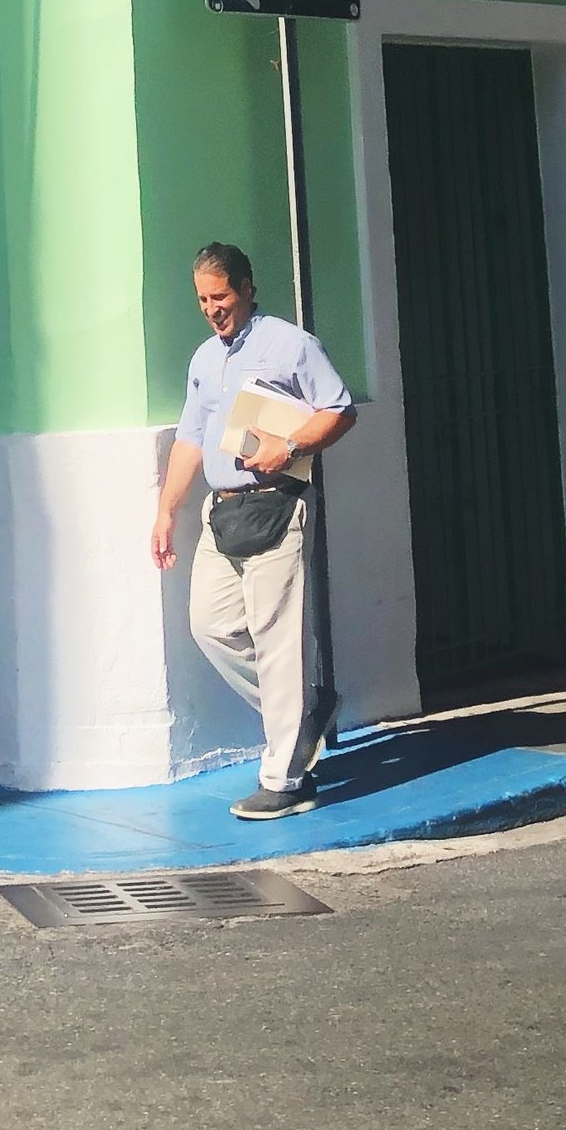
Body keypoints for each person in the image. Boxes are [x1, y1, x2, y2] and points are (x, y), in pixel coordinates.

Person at [151, 241, 357, 819]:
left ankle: (287, 780)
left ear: (246, 288)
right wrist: (167, 510)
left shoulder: (290, 344)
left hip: (277, 503)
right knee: (210, 626)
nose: (213, 309)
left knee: (276, 637)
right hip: (223, 511)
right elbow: (190, 439)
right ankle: (307, 709)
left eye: (220, 296)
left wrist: (288, 445)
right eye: (202, 300)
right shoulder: (202, 360)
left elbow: (339, 409)